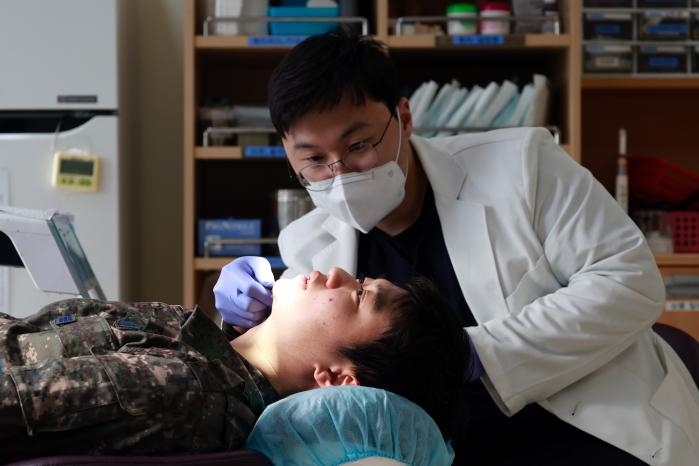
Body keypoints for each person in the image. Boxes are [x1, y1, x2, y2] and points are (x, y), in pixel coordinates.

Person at [213, 27, 699, 466]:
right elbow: (311, 375)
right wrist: (245, 326)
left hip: (592, 425)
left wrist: (478, 352)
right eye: (314, 160)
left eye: (359, 145)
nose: (339, 174)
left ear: (403, 117)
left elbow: (629, 283)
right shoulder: (307, 241)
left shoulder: (523, 165)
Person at [0, 264, 467, 463]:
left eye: (360, 295)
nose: (339, 274)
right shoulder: (198, 342)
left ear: (338, 379)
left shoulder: (188, 388)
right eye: (361, 278)